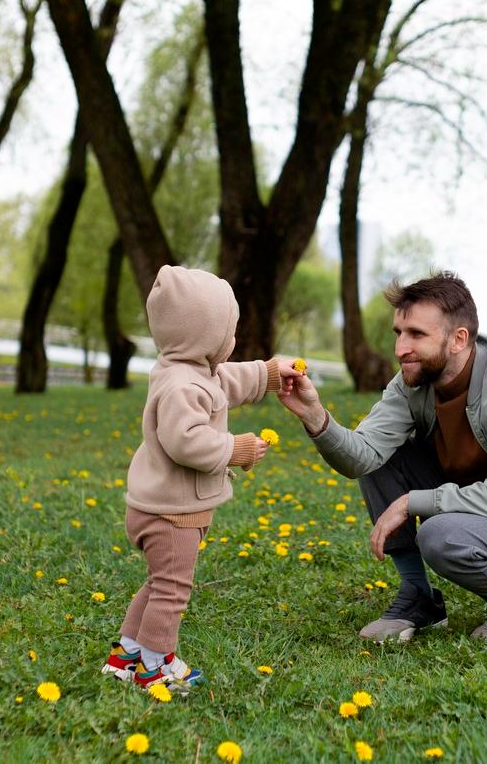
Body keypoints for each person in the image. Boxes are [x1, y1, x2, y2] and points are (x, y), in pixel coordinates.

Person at [277, 272, 487, 641]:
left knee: (439, 536)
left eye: (417, 335)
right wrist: (314, 415)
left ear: (458, 339)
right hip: (480, 512)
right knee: (384, 459)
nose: (401, 348)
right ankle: (419, 598)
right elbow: (363, 457)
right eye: (398, 333)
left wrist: (411, 502)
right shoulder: (414, 379)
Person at [100, 265, 302, 691]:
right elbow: (184, 441)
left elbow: (227, 379)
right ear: (203, 335)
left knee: (159, 584)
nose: (232, 341)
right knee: (172, 592)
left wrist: (268, 372)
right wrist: (235, 449)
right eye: (228, 331)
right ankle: (155, 668)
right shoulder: (180, 386)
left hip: (158, 506)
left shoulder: (187, 369)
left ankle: (126, 656)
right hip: (171, 514)